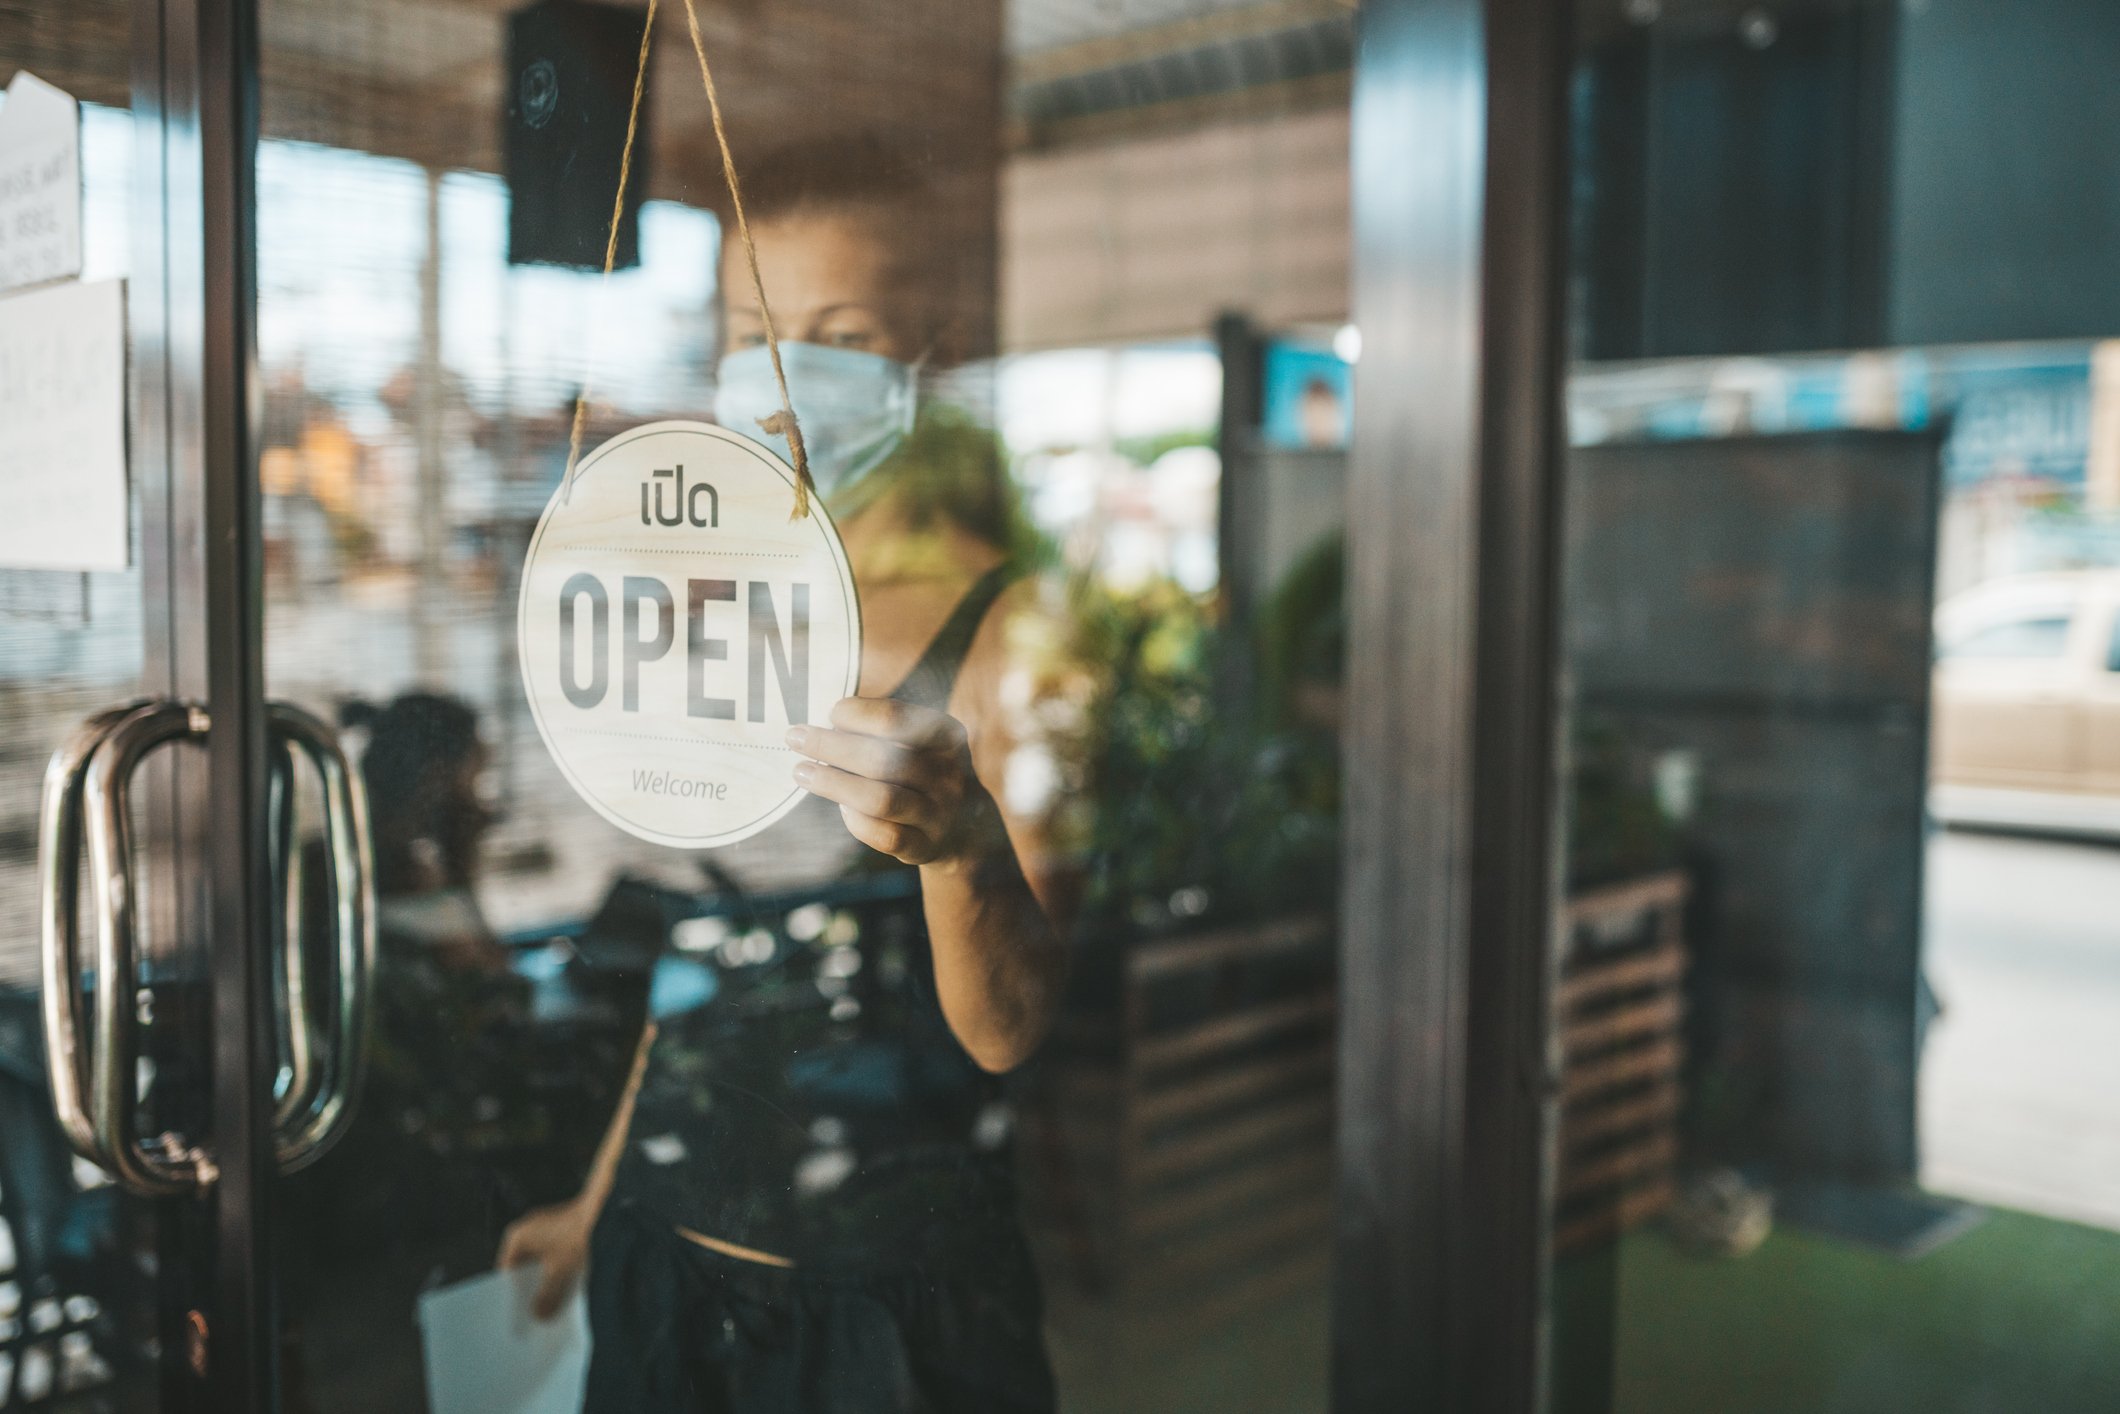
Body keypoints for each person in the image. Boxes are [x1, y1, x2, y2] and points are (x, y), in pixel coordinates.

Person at [497, 138, 1075, 1412]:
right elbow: (702, 958)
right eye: (752, 326)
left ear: (934, 340)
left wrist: (961, 849)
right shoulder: (730, 601)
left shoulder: (1008, 623)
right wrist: (595, 1209)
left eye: (840, 327)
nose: (784, 365)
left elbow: (1010, 1028)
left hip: (883, 1315)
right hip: (664, 1277)